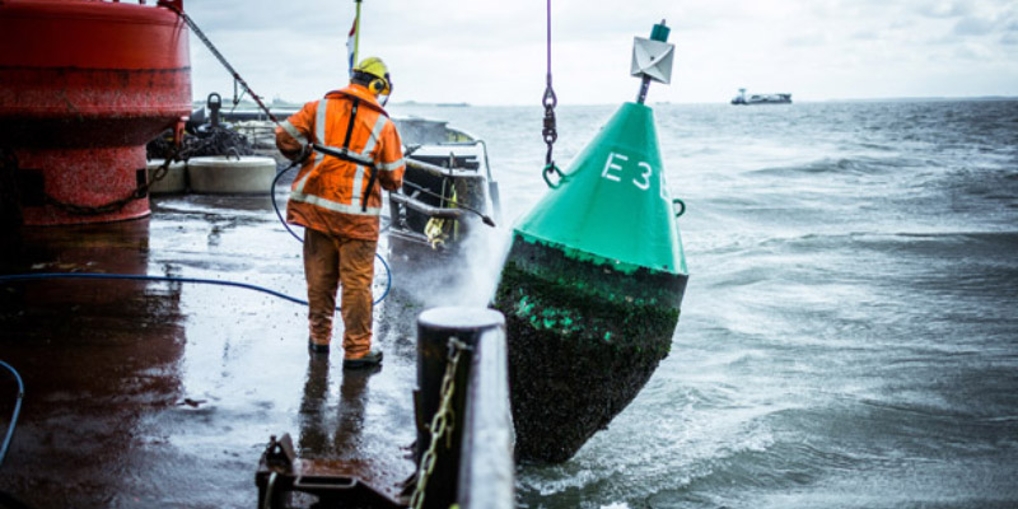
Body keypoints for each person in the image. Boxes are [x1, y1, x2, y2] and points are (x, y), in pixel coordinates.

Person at [275, 56, 405, 369]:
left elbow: (284, 136)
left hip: (317, 212)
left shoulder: (318, 108)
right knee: (357, 286)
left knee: (319, 280)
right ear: (377, 85)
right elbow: (394, 178)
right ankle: (357, 351)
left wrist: (303, 153)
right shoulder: (384, 125)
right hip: (358, 220)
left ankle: (319, 339)